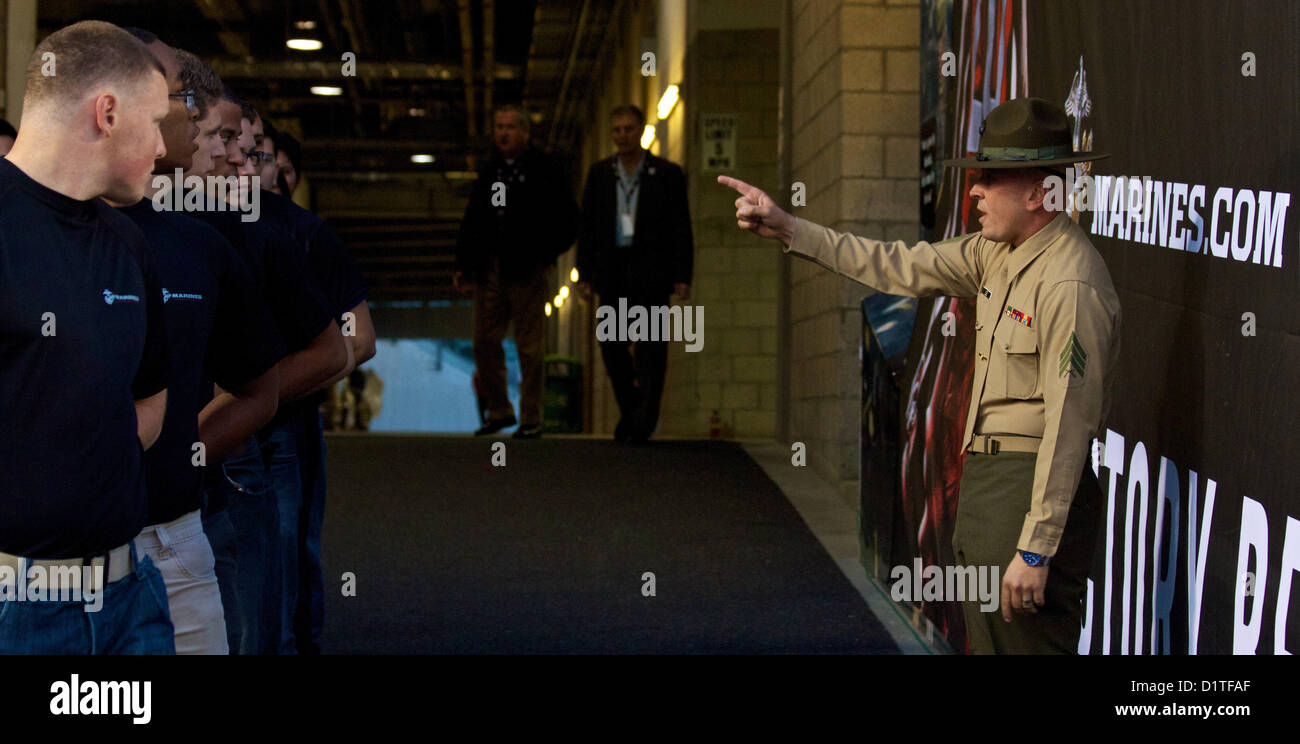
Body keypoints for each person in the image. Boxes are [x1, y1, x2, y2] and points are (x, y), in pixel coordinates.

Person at [720, 96, 1121, 654]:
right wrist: (790, 228)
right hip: (991, 485)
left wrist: (1035, 548)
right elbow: (896, 263)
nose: (974, 190)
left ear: (1039, 193)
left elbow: (1070, 427)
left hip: (1028, 492)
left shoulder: (1069, 282)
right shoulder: (996, 253)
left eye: (992, 178)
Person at [0, 20, 173, 654]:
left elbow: (150, 395)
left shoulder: (128, 241)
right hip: (16, 614)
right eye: (155, 122)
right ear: (106, 112)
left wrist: (82, 462)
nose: (161, 147)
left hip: (131, 596)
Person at [113, 29, 283, 655]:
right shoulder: (32, 228)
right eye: (174, 96)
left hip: (175, 542)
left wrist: (188, 455)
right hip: (44, 562)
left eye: (179, 98)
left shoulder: (202, 244)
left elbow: (262, 385)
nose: (182, 113)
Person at [454, 103, 578, 438]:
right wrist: (464, 263)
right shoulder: (490, 170)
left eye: (511, 127)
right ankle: (499, 410)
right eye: (499, 127)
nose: (504, 133)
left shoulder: (544, 168)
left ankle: (531, 416)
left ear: (525, 131)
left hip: (526, 268)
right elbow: (474, 218)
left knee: (529, 345)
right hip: (489, 266)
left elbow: (568, 219)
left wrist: (544, 254)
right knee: (484, 340)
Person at [577, 105, 694, 443]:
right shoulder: (600, 174)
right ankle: (632, 407)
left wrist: (682, 274)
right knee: (612, 344)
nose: (622, 136)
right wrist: (585, 272)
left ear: (641, 131)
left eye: (628, 129)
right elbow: (587, 227)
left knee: (651, 347)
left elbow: (680, 226)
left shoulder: (666, 173)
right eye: (616, 130)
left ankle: (644, 417)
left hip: (652, 272)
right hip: (612, 272)